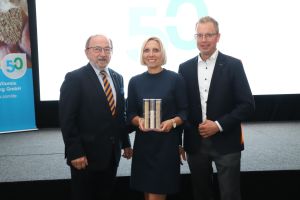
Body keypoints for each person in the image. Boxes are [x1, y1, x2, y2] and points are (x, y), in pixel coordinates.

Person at [178, 16, 255, 200]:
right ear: (195, 37)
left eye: (209, 35)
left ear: (218, 37)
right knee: (201, 194)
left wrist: (218, 125)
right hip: (195, 144)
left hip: (227, 141)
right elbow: (182, 108)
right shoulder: (184, 68)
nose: (204, 40)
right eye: (200, 35)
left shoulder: (234, 65)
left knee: (230, 194)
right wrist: (178, 141)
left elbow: (247, 105)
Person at [59, 34, 132, 200]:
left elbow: (119, 115)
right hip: (85, 157)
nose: (103, 54)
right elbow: (67, 119)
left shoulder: (117, 78)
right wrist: (75, 151)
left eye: (107, 49)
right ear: (87, 52)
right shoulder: (74, 78)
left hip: (111, 155)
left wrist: (125, 142)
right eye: (97, 49)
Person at [127, 37, 188, 200]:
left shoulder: (175, 79)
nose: (151, 54)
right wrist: (138, 121)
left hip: (166, 147)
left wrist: (172, 122)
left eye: (156, 49)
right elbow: (130, 114)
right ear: (142, 54)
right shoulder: (134, 81)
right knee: (147, 194)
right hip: (143, 148)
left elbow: (184, 112)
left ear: (162, 53)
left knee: (155, 195)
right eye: (147, 50)